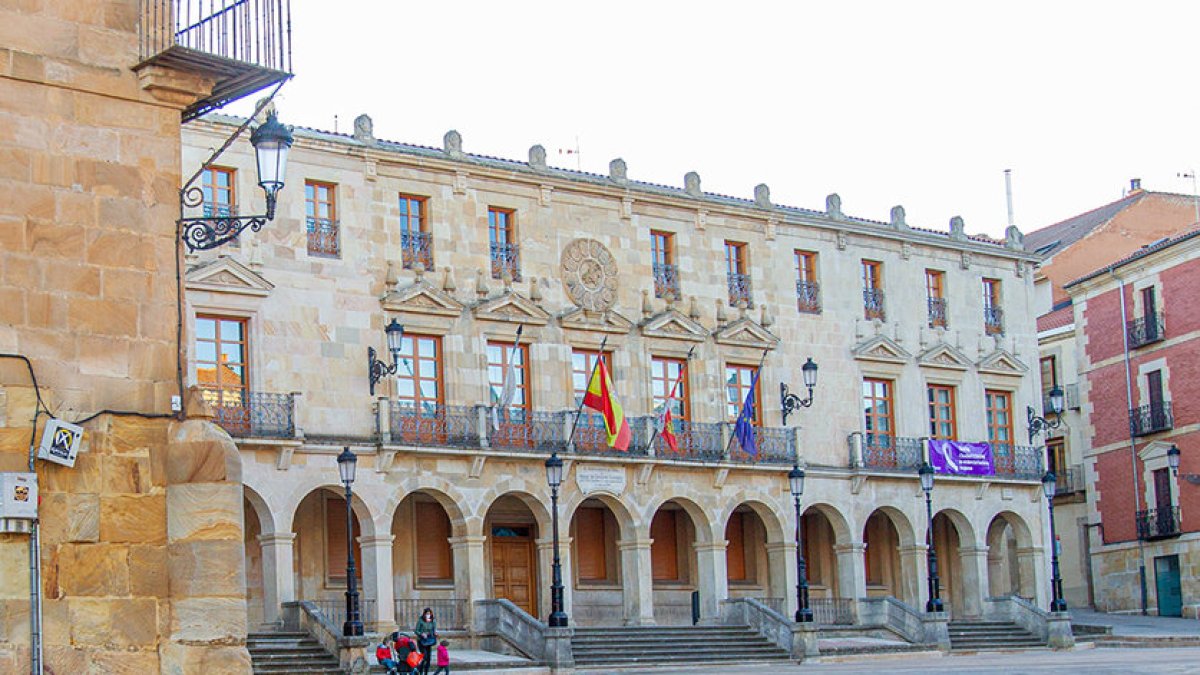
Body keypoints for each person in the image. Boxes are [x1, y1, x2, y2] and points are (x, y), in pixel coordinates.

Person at [414, 607, 438, 675]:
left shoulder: (433, 620)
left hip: (429, 640)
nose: (428, 615)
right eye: (427, 613)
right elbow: (416, 631)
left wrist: (435, 633)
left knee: (428, 659)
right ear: (424, 614)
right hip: (422, 641)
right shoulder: (420, 620)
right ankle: (420, 671)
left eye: (429, 613)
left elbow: (434, 629)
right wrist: (421, 634)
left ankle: (426, 673)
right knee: (424, 657)